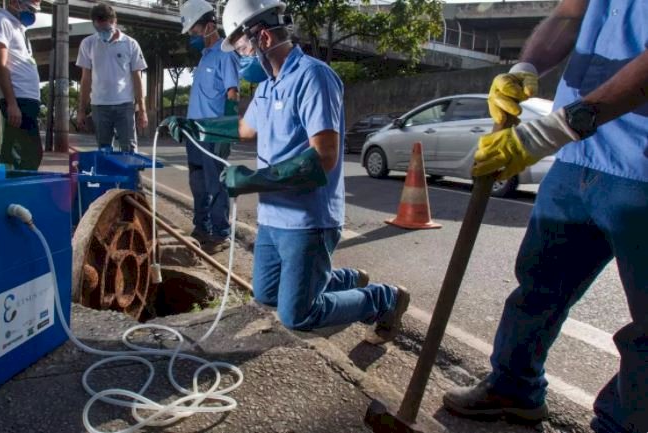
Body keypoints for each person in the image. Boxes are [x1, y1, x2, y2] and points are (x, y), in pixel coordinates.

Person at [442, 1, 648, 432]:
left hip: (640, 165)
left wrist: (559, 126)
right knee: (537, 289)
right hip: (577, 157)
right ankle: (513, 388)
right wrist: (525, 65)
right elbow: (569, 14)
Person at [215, 0, 410, 341]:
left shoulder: (314, 77)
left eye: (242, 47)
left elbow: (324, 157)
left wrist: (253, 180)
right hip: (274, 216)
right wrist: (195, 126)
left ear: (262, 38)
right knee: (266, 293)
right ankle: (348, 279)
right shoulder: (268, 85)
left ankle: (385, 299)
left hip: (309, 219)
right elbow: (246, 129)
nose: (241, 56)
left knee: (298, 314)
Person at [179, 0, 240, 254]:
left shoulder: (225, 54)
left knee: (215, 183)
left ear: (209, 26)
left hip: (213, 130)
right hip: (195, 131)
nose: (192, 36)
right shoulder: (205, 56)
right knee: (198, 183)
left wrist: (226, 132)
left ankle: (220, 233)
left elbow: (232, 94)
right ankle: (201, 228)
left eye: (194, 30)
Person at [76, 3, 148, 153]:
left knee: (129, 149)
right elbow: (85, 80)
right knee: (104, 150)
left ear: (115, 22)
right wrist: (81, 110)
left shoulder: (130, 44)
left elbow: (137, 79)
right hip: (99, 106)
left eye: (106, 29)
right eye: (98, 29)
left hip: (125, 105)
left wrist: (142, 109)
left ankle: (132, 177)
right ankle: (110, 176)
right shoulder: (88, 44)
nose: (103, 32)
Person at [0, 0, 43, 170]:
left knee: (17, 153)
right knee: (28, 154)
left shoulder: (20, 28)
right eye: (29, 8)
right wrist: (12, 103)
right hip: (18, 98)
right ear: (13, 2)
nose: (33, 13)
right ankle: (15, 194)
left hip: (27, 99)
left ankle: (12, 193)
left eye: (35, 10)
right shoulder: (0, 21)